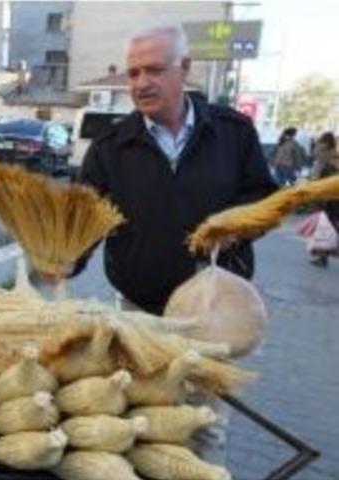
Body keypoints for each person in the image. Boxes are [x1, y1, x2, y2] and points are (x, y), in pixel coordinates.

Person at [72, 25, 277, 463]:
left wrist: (238, 226)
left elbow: (263, 195)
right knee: (141, 425)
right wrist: (62, 261)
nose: (140, 83)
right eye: (132, 73)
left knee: (203, 430)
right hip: (140, 313)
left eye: (153, 70)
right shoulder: (111, 147)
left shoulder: (232, 132)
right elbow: (83, 219)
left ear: (184, 69)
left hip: (216, 317)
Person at [309, 131, 339, 267]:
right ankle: (324, 254)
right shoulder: (334, 153)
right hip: (332, 192)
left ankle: (322, 255)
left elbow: (313, 155)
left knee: (322, 223)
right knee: (329, 222)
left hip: (321, 191)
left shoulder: (321, 149)